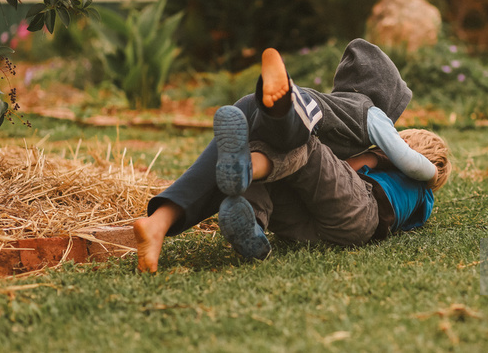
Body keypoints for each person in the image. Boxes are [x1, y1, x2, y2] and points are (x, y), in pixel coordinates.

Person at [134, 40, 451, 271]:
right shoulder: (373, 117)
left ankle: (242, 194)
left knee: (281, 157)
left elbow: (348, 169)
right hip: (303, 133)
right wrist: (430, 172)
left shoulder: (380, 159)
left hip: (314, 194)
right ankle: (277, 112)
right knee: (291, 152)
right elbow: (396, 167)